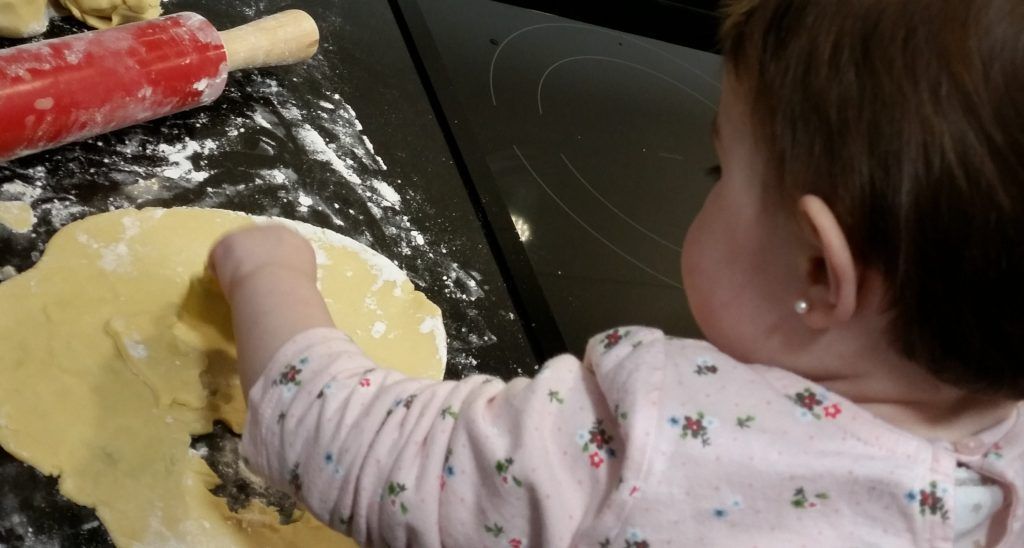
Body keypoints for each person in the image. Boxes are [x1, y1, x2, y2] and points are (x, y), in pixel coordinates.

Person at [209, 0, 1024, 545]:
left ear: (818, 269)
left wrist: (268, 274)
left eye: (720, 171)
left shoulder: (657, 446)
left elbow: (360, 449)